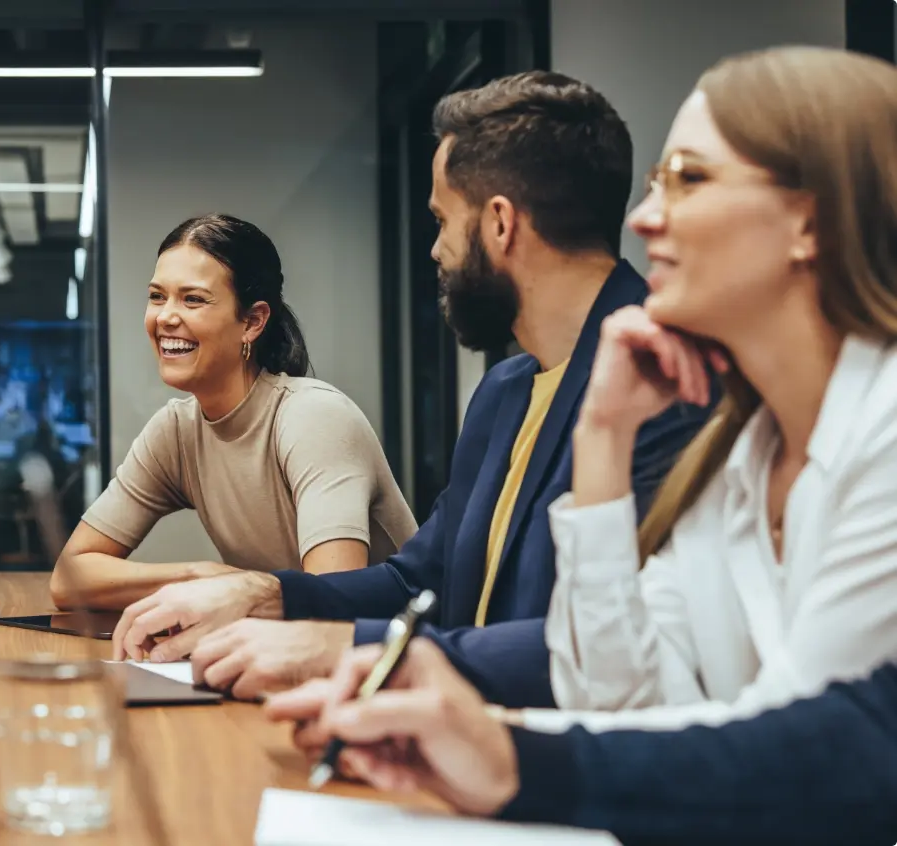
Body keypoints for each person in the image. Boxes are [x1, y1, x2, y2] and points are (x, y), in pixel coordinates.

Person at [111, 71, 711, 705]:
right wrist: (266, 595)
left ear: (499, 225)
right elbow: (419, 579)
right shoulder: (506, 391)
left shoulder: (669, 388)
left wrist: (339, 646)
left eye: (442, 220)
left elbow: (601, 649)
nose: (435, 251)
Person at [511, 45, 897, 733]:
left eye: (687, 179)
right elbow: (612, 704)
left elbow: (787, 754)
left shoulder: (886, 432)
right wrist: (602, 434)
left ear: (809, 221)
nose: (642, 218)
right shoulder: (740, 456)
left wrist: (497, 747)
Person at [50, 214, 416, 611]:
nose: (166, 317)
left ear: (253, 322)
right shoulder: (176, 431)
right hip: (289, 654)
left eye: (193, 299)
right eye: (157, 296)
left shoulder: (314, 416)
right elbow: (69, 580)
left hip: (394, 658)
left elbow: (330, 604)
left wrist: (234, 590)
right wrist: (200, 576)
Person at [265, 639, 897, 846]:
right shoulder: (738, 438)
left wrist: (513, 752)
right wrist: (498, 743)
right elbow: (622, 687)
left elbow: (839, 746)